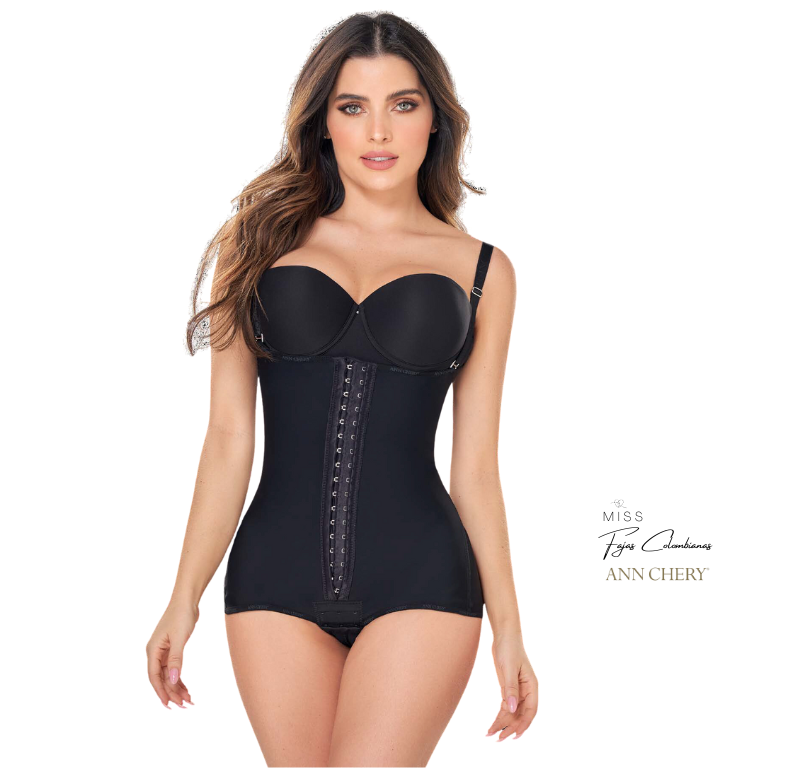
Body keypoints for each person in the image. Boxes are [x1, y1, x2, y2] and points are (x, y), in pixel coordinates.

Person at [147, 11, 537, 765]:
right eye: (352, 106)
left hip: (423, 577)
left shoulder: (483, 270)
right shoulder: (255, 244)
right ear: (323, 122)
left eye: (403, 104)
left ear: (435, 119)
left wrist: (510, 629)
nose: (379, 131)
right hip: (272, 578)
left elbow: (476, 468)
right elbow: (227, 437)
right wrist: (182, 598)